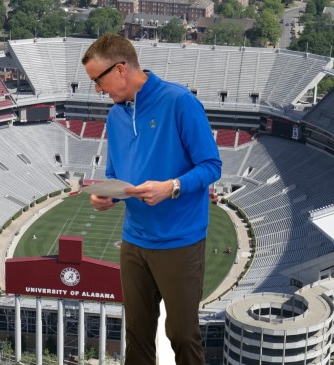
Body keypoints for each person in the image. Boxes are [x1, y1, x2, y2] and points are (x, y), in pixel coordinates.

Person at [81, 34, 222, 365]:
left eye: (98, 81)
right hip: (134, 241)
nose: (98, 91)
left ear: (120, 69)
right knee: (137, 334)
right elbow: (118, 176)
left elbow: (212, 166)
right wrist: (108, 197)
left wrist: (171, 186)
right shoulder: (115, 116)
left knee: (183, 336)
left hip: (179, 241)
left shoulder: (179, 102)